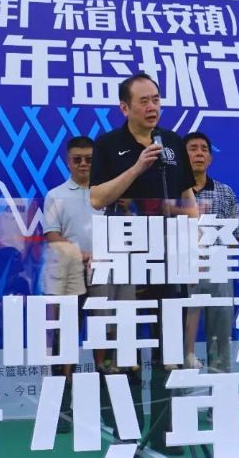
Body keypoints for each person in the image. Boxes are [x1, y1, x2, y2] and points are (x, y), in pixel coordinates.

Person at [90, 73, 197, 455]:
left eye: (156, 99)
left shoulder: (172, 142)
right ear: (125, 107)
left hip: (168, 260)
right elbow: (97, 198)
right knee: (126, 351)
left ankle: (167, 437)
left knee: (169, 351)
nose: (153, 107)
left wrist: (192, 228)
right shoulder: (108, 145)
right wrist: (137, 167)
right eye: (144, 101)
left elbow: (187, 197)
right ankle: (127, 436)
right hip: (126, 261)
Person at [42, 136, 135, 433]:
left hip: (106, 274)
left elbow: (127, 230)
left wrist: (126, 210)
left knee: (104, 340)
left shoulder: (111, 192)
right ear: (67, 162)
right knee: (65, 341)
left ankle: (107, 409)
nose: (83, 164)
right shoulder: (56, 195)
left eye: (89, 159)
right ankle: (62, 410)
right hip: (69, 275)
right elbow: (52, 235)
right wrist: (80, 255)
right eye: (77, 159)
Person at [182, 132, 239, 374]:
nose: (199, 154)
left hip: (218, 267)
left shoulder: (225, 192)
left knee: (220, 334)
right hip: (184, 270)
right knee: (183, 337)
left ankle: (220, 390)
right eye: (193, 149)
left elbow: (234, 237)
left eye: (204, 149)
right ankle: (183, 392)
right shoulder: (173, 191)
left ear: (210, 158)